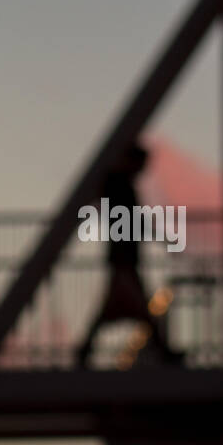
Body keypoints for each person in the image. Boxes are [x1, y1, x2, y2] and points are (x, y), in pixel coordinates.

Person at [76, 142, 181, 367]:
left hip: (123, 258)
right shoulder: (119, 185)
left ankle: (84, 351)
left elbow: (134, 222)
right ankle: (165, 352)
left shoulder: (118, 184)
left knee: (117, 310)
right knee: (139, 310)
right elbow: (133, 222)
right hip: (124, 258)